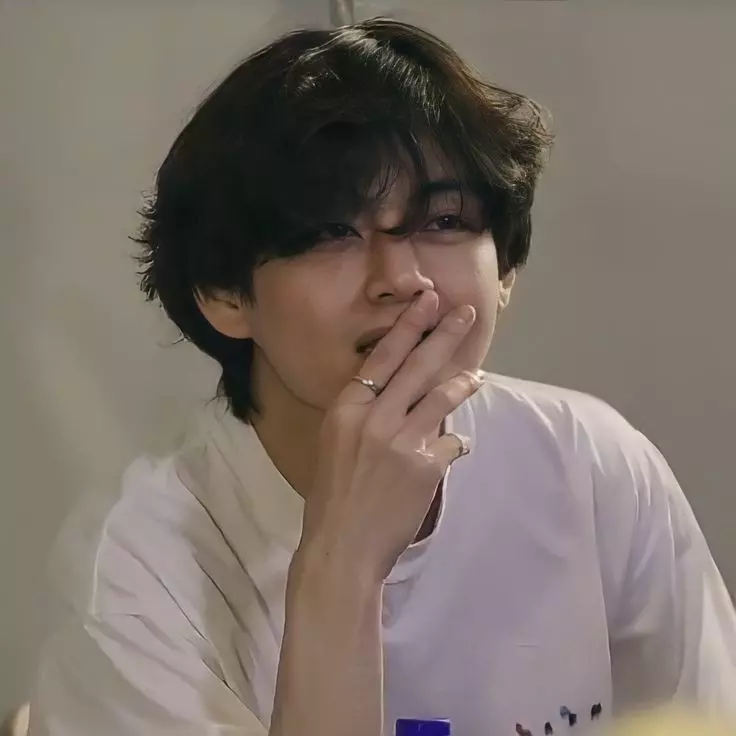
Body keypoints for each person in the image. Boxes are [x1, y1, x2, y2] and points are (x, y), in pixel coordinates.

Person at [29, 17, 736, 736]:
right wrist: (342, 564)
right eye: (331, 232)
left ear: (505, 271)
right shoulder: (139, 566)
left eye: (446, 221)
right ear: (224, 293)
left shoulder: (591, 464)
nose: (401, 277)